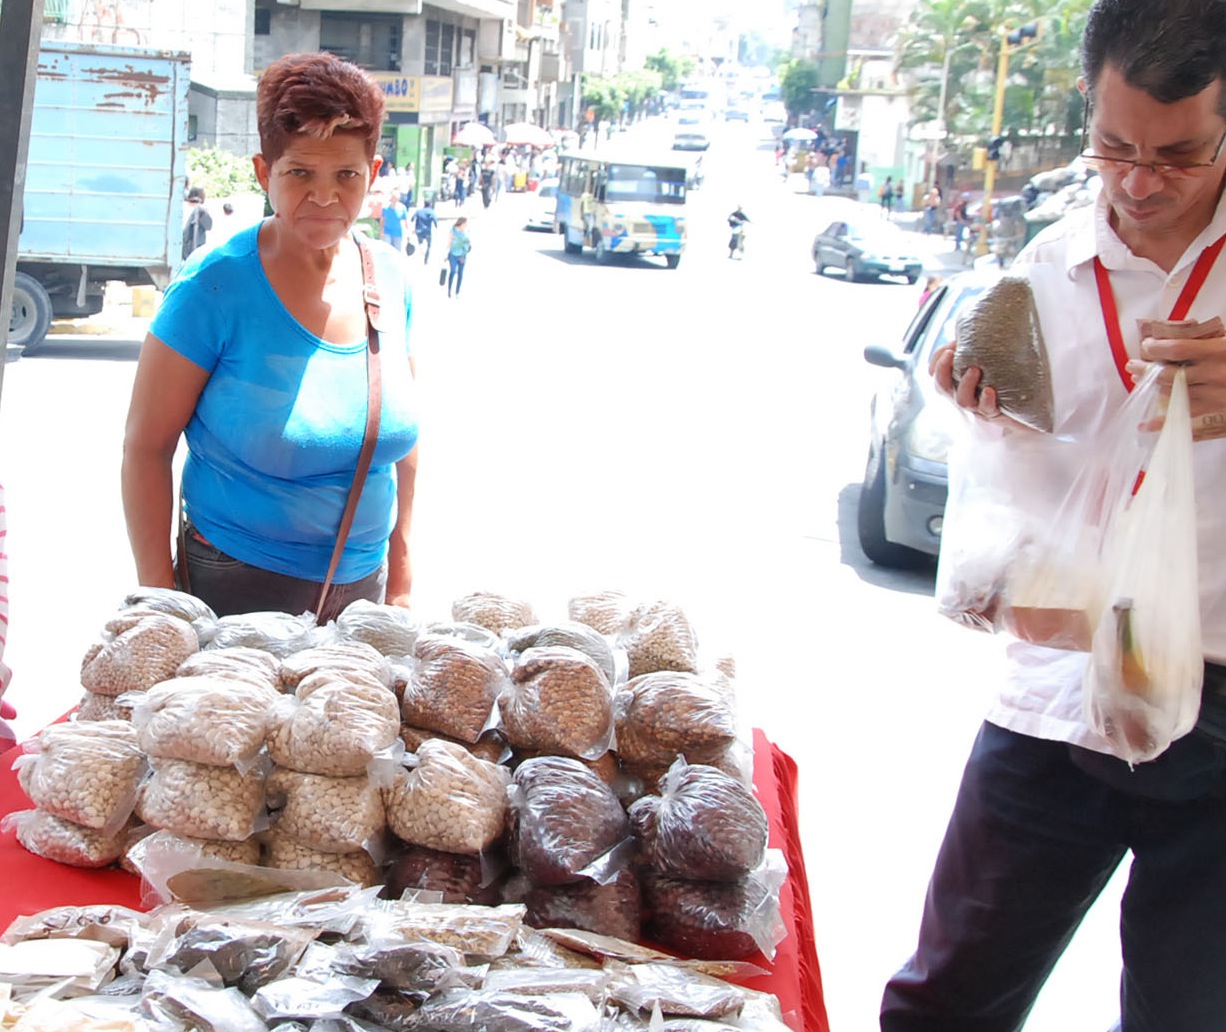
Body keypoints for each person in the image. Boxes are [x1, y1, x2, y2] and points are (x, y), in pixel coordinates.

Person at [881, 2, 1226, 1029]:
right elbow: (1026, 472)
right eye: (1113, 146)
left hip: (1216, 707)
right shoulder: (1042, 270)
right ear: (1087, 101)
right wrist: (971, 396)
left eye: (1177, 158)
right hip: (1055, 694)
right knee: (945, 999)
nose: (1135, 183)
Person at [121, 51, 420, 621]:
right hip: (234, 590)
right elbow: (145, 448)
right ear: (264, 173)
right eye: (300, 173)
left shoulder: (391, 279)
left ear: (373, 174)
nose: (326, 198)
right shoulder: (214, 287)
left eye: (347, 175)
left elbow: (403, 445)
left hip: (364, 596)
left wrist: (402, 577)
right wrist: (163, 603)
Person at [182, 186, 212, 260]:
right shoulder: (201, 210)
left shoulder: (181, 206)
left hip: (180, 246)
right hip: (194, 249)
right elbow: (209, 226)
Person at [446, 216, 471, 298]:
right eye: (465, 224)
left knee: (460, 273)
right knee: (452, 271)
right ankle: (449, 290)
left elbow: (468, 243)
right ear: (462, 224)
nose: (466, 225)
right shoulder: (453, 230)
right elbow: (449, 242)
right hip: (453, 254)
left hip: (462, 255)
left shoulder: (466, 232)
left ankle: (457, 292)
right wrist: (446, 254)